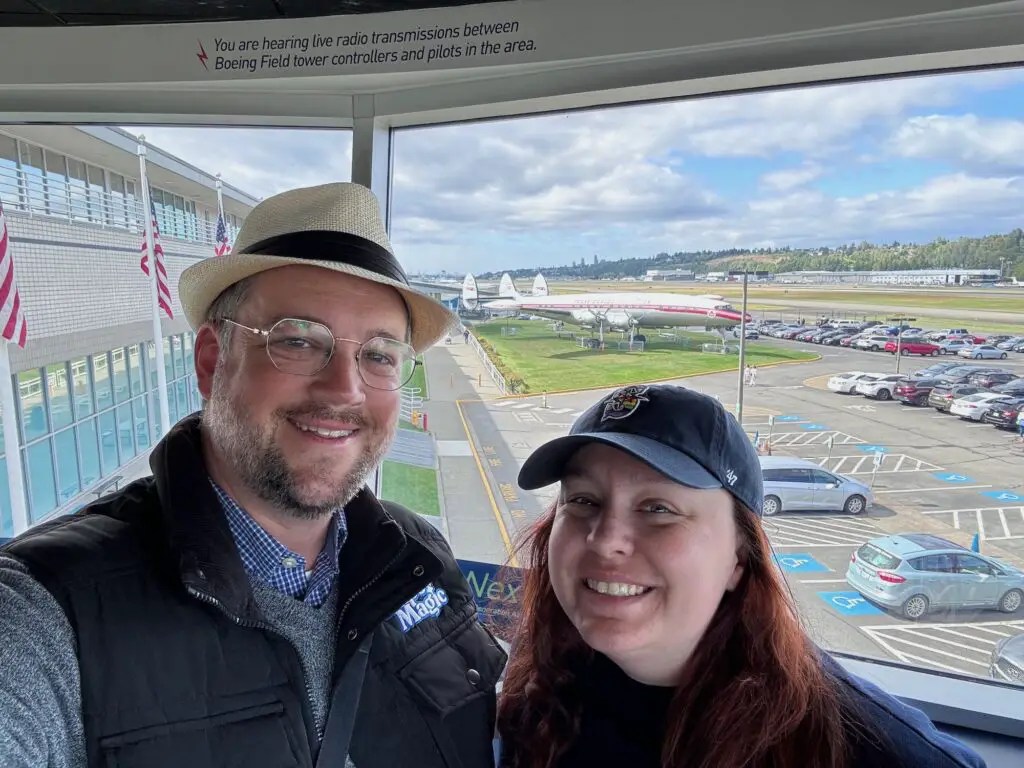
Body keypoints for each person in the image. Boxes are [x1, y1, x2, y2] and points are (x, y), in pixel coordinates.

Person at [0, 182, 506, 768]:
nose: (345, 388)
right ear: (213, 362)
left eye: (379, 354)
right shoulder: (50, 612)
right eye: (297, 340)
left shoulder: (418, 556)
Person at [497, 384, 985, 768]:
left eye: (659, 509)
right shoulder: (541, 673)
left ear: (738, 559)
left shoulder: (855, 747)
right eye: (583, 501)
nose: (605, 541)